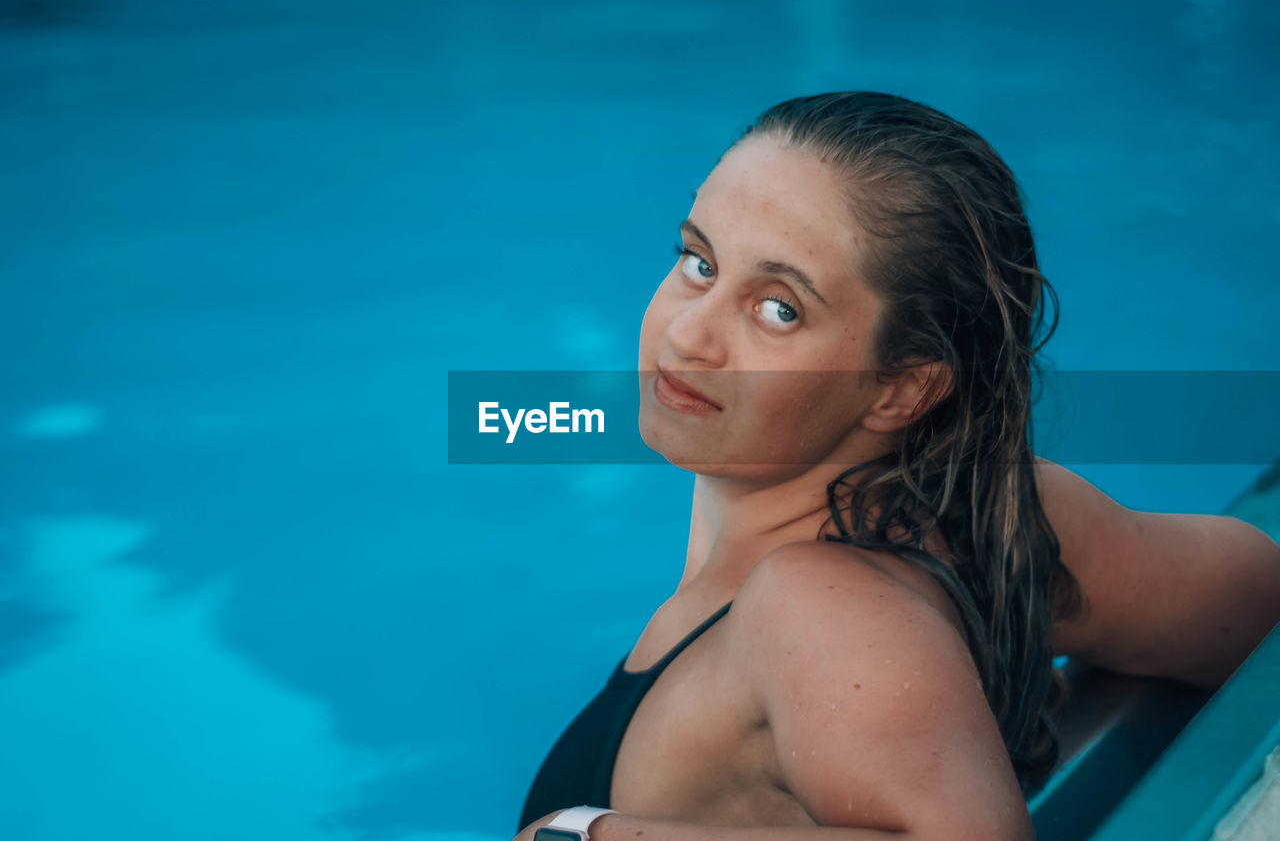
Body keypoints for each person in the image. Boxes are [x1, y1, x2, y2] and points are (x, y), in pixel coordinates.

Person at [514, 91, 1280, 841]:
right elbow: (1254, 598)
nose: (687, 333)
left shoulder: (817, 604)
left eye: (779, 309)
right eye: (699, 261)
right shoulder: (994, 512)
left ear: (902, 388)